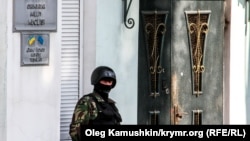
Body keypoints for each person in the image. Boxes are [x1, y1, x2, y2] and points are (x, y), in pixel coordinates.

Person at [69, 66, 122, 141]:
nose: (107, 84)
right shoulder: (87, 102)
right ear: (96, 81)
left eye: (109, 82)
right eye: (104, 81)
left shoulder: (111, 105)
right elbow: (75, 132)